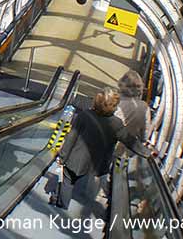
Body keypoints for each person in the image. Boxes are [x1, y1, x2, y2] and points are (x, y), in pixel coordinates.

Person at [54, 88, 148, 219]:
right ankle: (85, 215)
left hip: (75, 160)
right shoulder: (116, 123)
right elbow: (129, 140)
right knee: (89, 186)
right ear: (113, 107)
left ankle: (61, 207)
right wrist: (146, 152)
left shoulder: (84, 116)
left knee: (68, 181)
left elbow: (71, 138)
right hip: (97, 164)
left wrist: (62, 157)